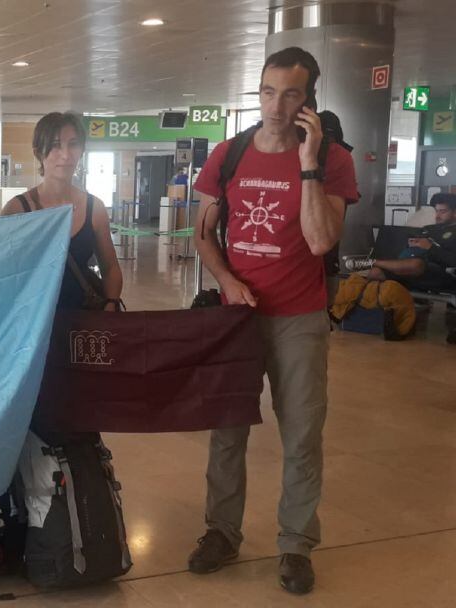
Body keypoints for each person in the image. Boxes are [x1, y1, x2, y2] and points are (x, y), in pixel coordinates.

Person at [189, 47, 359, 595]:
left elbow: (319, 240)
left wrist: (308, 163)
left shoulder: (333, 160)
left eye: (290, 94)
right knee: (227, 432)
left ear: (309, 99)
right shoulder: (229, 154)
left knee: (303, 435)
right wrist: (226, 280)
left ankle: (295, 545)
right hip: (237, 318)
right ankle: (221, 530)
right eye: (267, 91)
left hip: (300, 318)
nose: (276, 105)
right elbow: (202, 235)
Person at [0, 111, 123, 311]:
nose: (66, 155)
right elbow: (1, 273)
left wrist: (111, 303)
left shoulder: (94, 209)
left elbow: (110, 268)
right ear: (39, 152)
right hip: (34, 322)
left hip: (83, 319)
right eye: (55, 145)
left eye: (73, 144)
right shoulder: (18, 209)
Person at [345, 193, 456, 291]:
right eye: (437, 211)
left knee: (416, 264)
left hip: (440, 272)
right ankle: (371, 309)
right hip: (407, 265)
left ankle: (371, 262)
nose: (437, 216)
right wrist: (412, 243)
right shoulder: (428, 228)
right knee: (375, 273)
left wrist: (430, 247)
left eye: (443, 212)